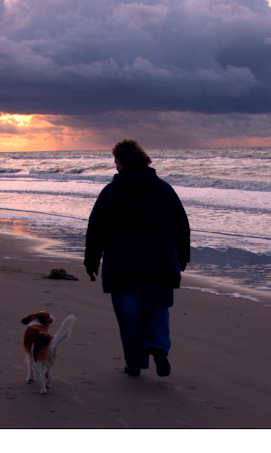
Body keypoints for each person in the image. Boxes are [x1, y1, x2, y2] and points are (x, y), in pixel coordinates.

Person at [84, 139, 190, 377]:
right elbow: (182, 227)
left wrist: (91, 261)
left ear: (121, 162)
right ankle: (159, 348)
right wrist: (182, 258)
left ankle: (134, 365)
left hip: (123, 267)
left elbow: (95, 229)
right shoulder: (164, 189)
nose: (116, 167)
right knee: (158, 307)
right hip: (161, 263)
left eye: (116, 162)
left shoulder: (111, 192)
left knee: (129, 317)